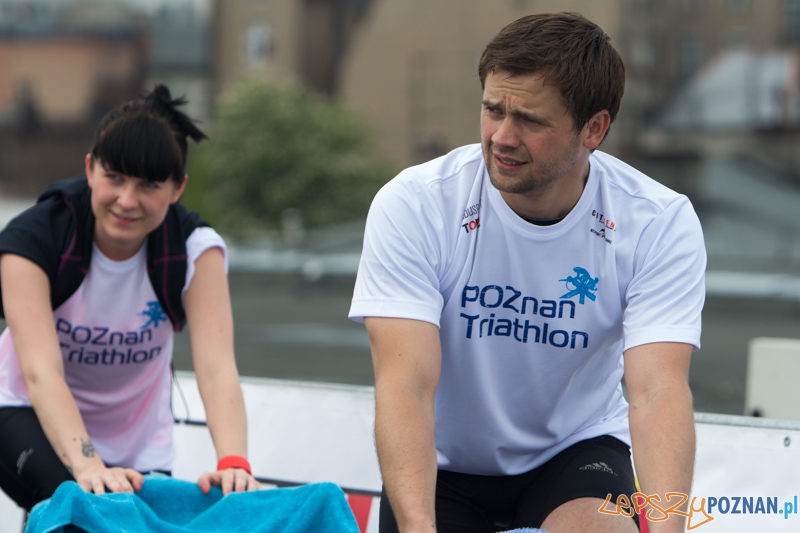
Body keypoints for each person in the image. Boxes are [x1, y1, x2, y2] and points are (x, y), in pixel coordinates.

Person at [349, 12, 705, 533]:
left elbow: (658, 395)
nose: (502, 136)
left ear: (595, 129)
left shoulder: (657, 220)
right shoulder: (416, 203)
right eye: (493, 110)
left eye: (531, 121)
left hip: (575, 451)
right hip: (443, 463)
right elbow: (405, 386)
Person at [0, 85, 260, 512]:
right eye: (115, 177)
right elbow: (40, 372)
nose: (127, 201)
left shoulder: (196, 250)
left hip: (140, 445)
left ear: (177, 189)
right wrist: (88, 466)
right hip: (23, 412)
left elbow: (216, 369)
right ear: (90, 170)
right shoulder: (32, 240)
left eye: (149, 185)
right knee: (85, 509)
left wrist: (234, 462)